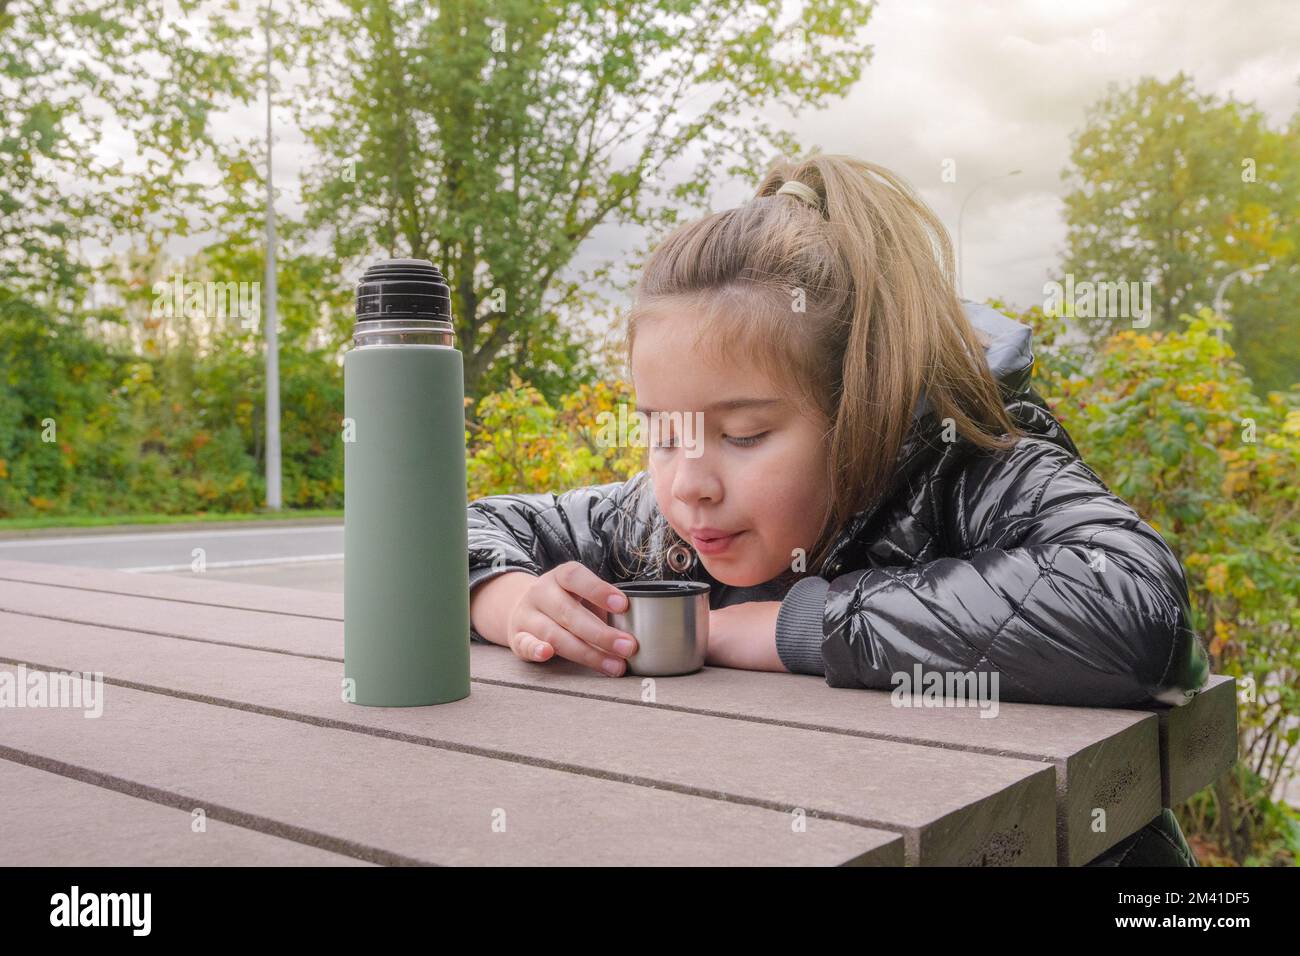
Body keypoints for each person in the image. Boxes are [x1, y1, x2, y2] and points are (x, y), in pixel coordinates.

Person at [464, 152, 1210, 866]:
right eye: (663, 434)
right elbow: (452, 528)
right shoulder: (661, 521)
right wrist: (507, 600)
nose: (690, 484)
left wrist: (800, 626)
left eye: (743, 435)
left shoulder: (971, 465)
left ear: (857, 410)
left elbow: (1138, 609)